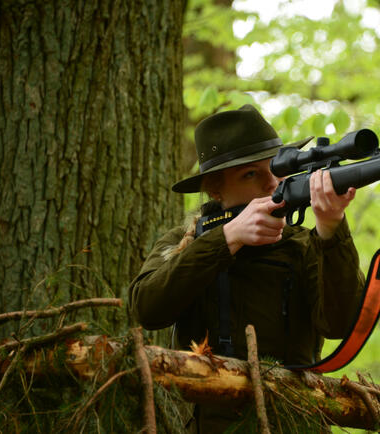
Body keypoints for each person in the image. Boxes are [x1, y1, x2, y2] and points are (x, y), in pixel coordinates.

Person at [128, 104, 365, 432]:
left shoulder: (306, 244)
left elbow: (341, 324)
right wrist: (226, 239)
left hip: (297, 422)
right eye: (250, 174)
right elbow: (146, 307)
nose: (271, 183)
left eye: (276, 168)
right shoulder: (188, 241)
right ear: (215, 188)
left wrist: (330, 227)